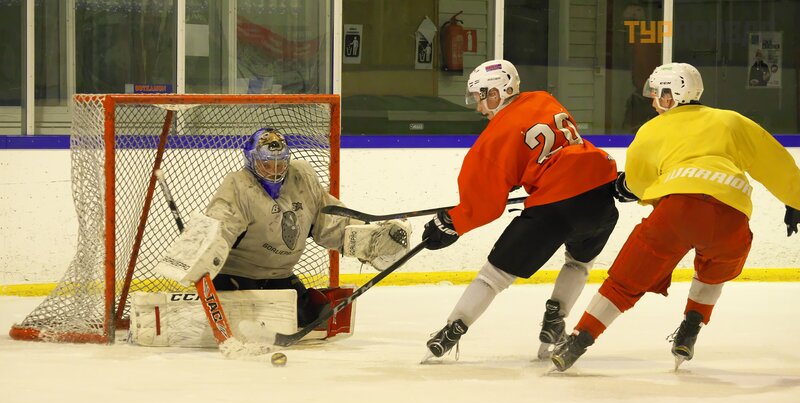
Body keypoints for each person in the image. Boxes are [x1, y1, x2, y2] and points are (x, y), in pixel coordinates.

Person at [551, 62, 800, 372]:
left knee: (624, 282)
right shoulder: (731, 120)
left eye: (657, 95)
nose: (654, 103)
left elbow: (638, 183)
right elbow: (774, 161)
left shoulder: (652, 129)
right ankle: (691, 328)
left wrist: (627, 188)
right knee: (713, 273)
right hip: (732, 215)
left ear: (671, 96)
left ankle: (578, 340)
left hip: (677, 212)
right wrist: (795, 200)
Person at [420, 59, 621, 361]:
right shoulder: (545, 99)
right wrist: (521, 175)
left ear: (495, 93)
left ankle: (451, 331)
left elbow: (484, 206)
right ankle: (555, 321)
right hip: (600, 196)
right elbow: (557, 148)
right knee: (579, 263)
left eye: (480, 98)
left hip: (554, 207)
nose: (479, 108)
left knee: (493, 277)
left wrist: (452, 223)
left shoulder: (494, 137)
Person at [159, 127, 410, 330]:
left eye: (281, 163)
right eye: (267, 163)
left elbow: (328, 223)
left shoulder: (302, 177)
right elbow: (221, 223)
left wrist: (372, 241)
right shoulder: (239, 185)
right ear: (251, 161)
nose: (275, 169)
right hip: (236, 279)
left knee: (315, 317)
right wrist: (203, 250)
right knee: (247, 323)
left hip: (280, 278)